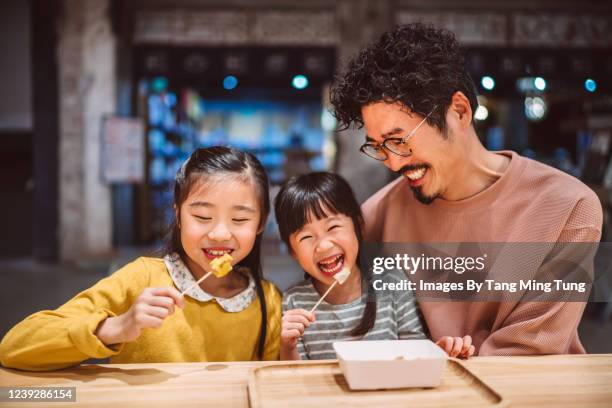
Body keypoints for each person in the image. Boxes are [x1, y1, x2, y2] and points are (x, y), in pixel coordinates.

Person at [330, 23, 602, 355]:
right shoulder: (377, 216)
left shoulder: (566, 208)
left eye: (398, 141)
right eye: (378, 147)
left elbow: (527, 354)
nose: (392, 163)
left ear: (459, 111)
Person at [0, 147, 281, 370]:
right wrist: (115, 327)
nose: (220, 233)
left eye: (240, 219)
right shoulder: (142, 279)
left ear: (260, 224)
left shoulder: (267, 300)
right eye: (202, 217)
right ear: (178, 216)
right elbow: (15, 348)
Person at [275, 172, 474, 360]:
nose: (323, 245)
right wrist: (287, 346)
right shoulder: (294, 302)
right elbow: (295, 375)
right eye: (307, 237)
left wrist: (438, 352)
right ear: (293, 251)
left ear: (358, 226)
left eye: (333, 227)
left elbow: (414, 352)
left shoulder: (392, 284)